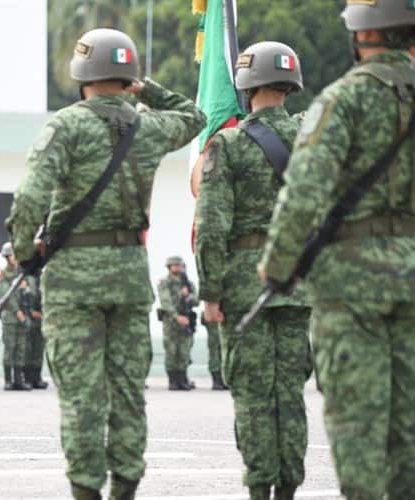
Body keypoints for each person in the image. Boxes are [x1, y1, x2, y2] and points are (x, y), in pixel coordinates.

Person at [6, 28, 205, 499]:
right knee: (128, 395)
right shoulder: (149, 127)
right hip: (130, 276)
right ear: (128, 77)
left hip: (73, 280)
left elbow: (30, 197)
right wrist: (147, 90)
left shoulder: (66, 125)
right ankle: (125, 492)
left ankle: (87, 493)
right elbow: (193, 116)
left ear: (81, 75)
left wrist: (22, 251)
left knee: (81, 398)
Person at [258, 3, 415, 497]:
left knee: (358, 434)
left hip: (351, 288)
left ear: (359, 35)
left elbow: (304, 191)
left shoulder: (343, 100)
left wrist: (277, 268)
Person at [196, 41, 312, 500]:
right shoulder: (310, 136)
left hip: (245, 287)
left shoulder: (228, 145)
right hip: (296, 283)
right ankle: (288, 489)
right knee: (291, 396)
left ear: (245, 87)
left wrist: (209, 292)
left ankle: (260, 490)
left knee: (253, 398)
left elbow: (211, 225)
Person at [156, 256, 197, 391]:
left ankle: (183, 379)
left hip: (186, 320)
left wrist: (188, 296)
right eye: (174, 265)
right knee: (171, 350)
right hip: (171, 322)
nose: (178, 267)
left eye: (179, 265)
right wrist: (176, 316)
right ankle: (173, 381)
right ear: (169, 267)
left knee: (184, 350)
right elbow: (165, 301)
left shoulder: (188, 283)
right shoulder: (165, 283)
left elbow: (197, 300)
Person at [0, 242, 32, 391]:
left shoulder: (22, 273)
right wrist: (17, 312)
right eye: (12, 255)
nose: (15, 258)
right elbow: (6, 297)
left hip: (23, 315)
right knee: (10, 348)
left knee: (21, 348)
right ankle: (8, 380)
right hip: (10, 317)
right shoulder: (3, 274)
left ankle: (18, 379)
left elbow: (31, 292)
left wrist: (26, 288)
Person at [23, 274, 48, 389]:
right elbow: (21, 298)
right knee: (27, 349)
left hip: (40, 318)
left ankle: (36, 377)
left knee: (38, 348)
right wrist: (30, 312)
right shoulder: (24, 277)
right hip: (28, 318)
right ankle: (27, 378)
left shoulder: (42, 277)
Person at [201, 313, 227, 391]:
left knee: (220, 352)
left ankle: (222, 380)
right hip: (214, 318)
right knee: (215, 352)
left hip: (220, 318)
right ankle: (217, 380)